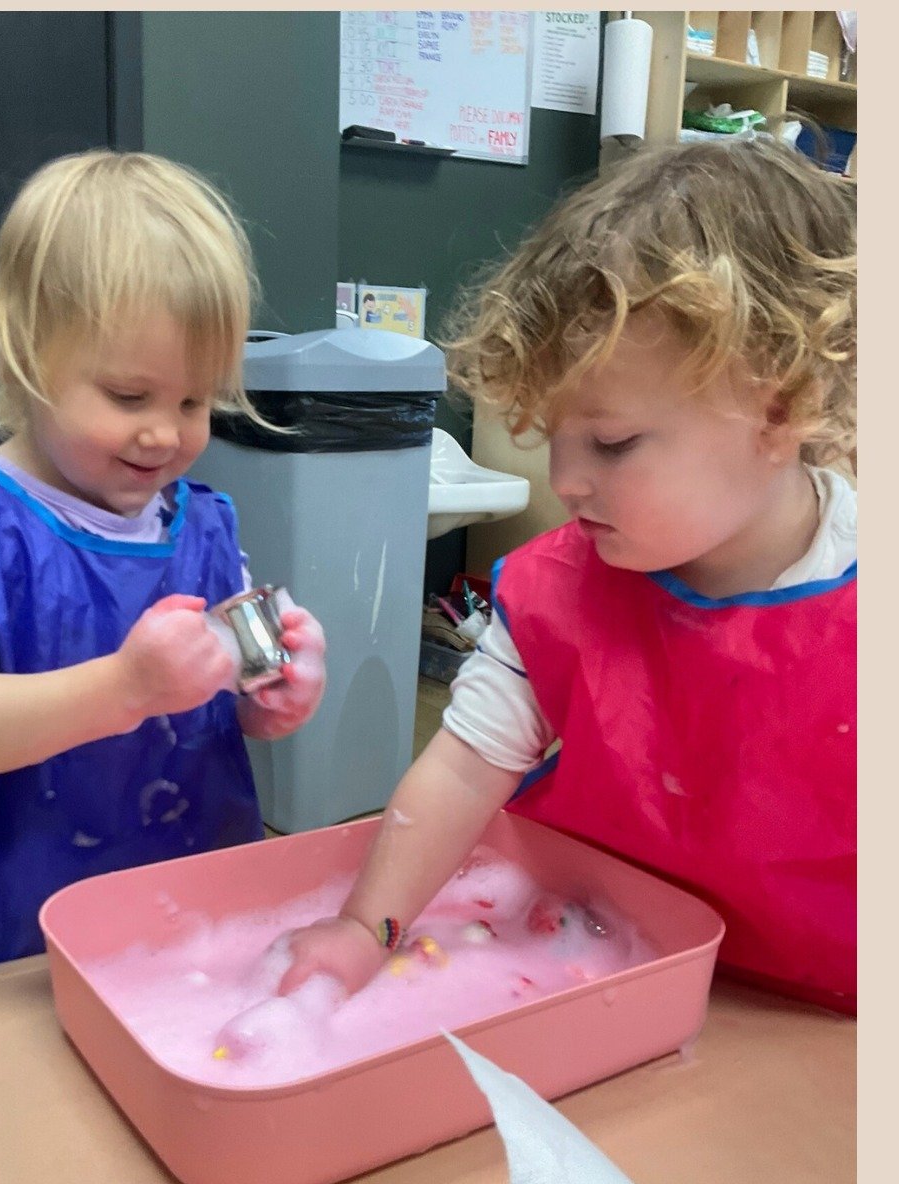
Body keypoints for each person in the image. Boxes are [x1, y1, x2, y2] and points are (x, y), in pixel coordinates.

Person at [278, 138, 856, 1014]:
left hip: (808, 1015)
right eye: (555, 435)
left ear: (781, 410)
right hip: (595, 973)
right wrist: (367, 928)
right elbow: (465, 769)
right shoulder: (561, 592)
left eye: (613, 443)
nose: (566, 480)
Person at [0, 150, 326, 985]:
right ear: (24, 355)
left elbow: (232, 700)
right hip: (5, 922)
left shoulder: (207, 525)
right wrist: (124, 689)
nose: (165, 434)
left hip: (179, 904)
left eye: (193, 402)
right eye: (127, 396)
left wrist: (274, 690)